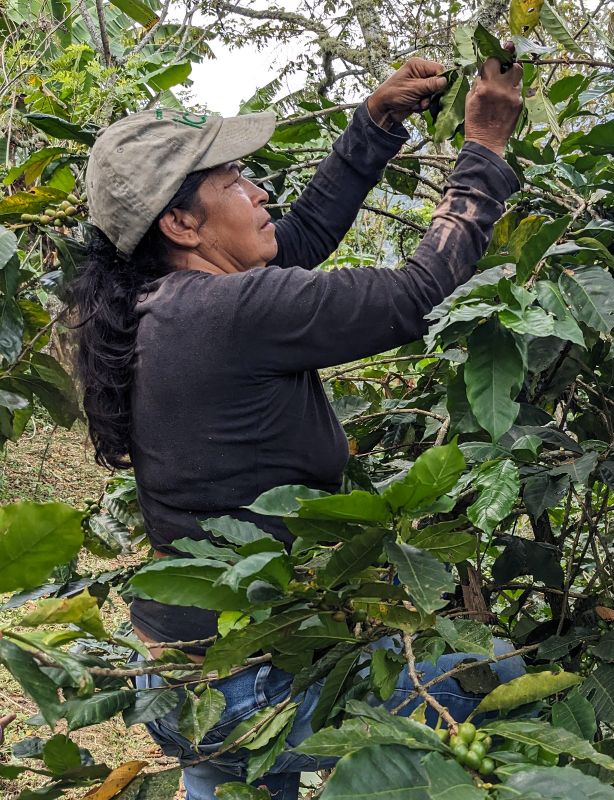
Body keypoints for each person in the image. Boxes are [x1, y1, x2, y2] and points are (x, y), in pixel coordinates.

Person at [72, 54, 523, 800]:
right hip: (248, 688)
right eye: (233, 182)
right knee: (495, 674)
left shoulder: (158, 306)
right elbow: (418, 294)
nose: (259, 192)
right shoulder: (229, 314)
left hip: (179, 675)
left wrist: (375, 124)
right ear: (180, 223)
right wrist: (485, 151)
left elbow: (295, 239)